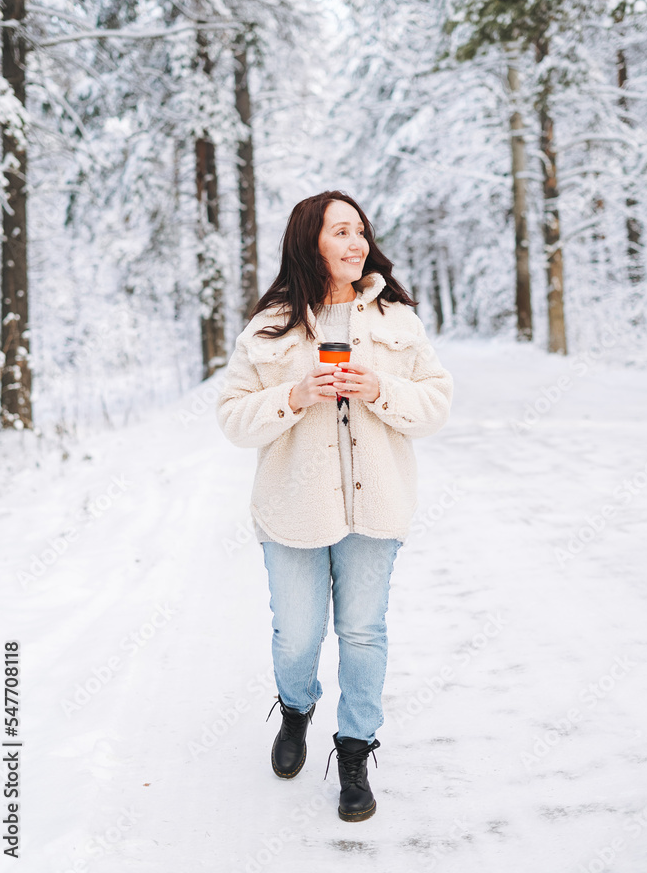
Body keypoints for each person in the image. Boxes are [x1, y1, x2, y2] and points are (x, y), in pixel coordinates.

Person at [216, 190, 453, 822]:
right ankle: (296, 708)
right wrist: (293, 396)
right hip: (291, 510)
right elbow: (233, 419)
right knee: (297, 637)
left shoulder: (398, 320)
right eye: (340, 231)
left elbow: (436, 403)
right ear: (309, 242)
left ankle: (354, 749)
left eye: (360, 231)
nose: (356, 243)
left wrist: (380, 388)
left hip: (376, 510)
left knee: (363, 630)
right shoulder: (269, 326)